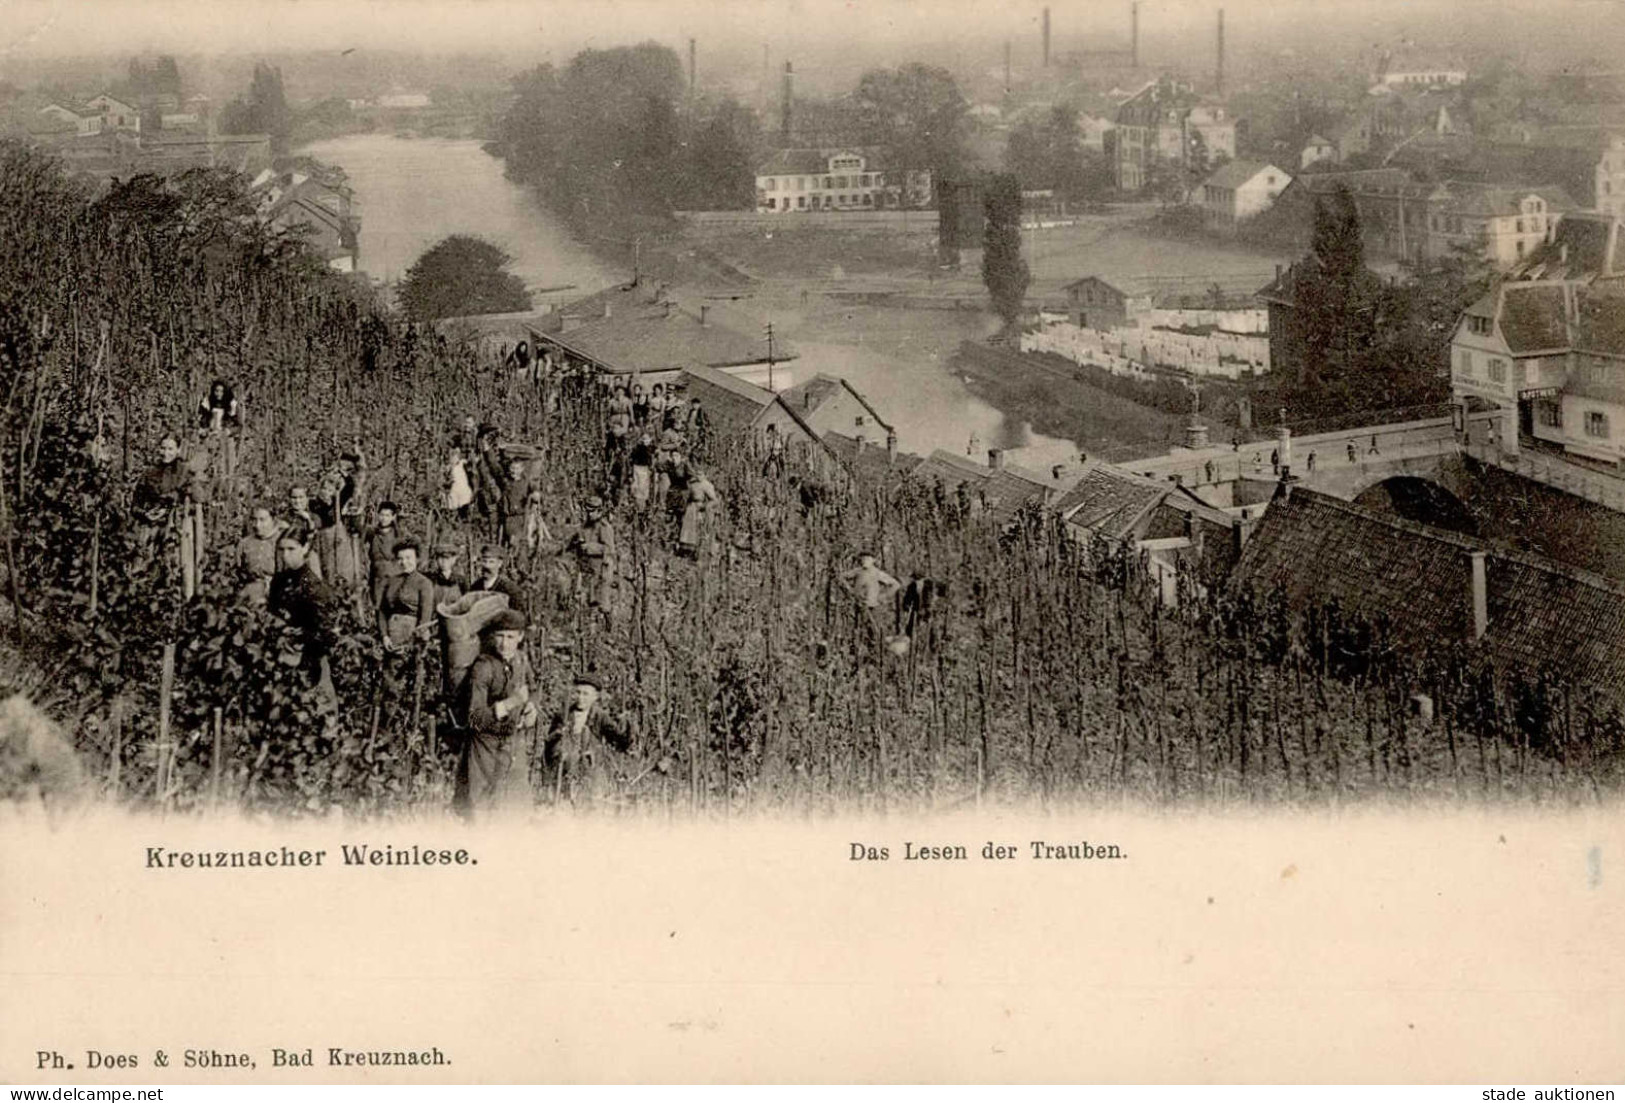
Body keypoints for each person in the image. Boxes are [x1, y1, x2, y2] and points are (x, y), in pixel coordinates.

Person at [453, 608, 540, 818]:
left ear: (520, 637)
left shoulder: (521, 659)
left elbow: (533, 689)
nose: (504, 643)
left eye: (510, 637)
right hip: (485, 745)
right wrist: (510, 704)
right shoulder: (483, 667)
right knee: (482, 808)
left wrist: (532, 708)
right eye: (499, 636)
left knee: (517, 806)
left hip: (513, 743)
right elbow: (475, 718)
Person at [267, 524, 338, 715]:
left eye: (292, 549)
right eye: (282, 549)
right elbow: (272, 614)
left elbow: (327, 635)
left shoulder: (314, 587)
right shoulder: (279, 581)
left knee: (317, 712)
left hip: (309, 660)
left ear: (305, 548)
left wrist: (299, 638)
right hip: (282, 657)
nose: (285, 555)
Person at [540, 672, 635, 806]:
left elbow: (620, 741)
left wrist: (627, 726)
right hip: (565, 769)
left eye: (586, 694)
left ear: (595, 697)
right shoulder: (563, 714)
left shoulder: (600, 716)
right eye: (578, 693)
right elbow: (549, 747)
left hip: (590, 771)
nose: (581, 698)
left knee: (591, 805)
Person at [376, 537, 437, 652]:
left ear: (417, 558)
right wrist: (384, 636)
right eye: (400, 558)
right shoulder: (391, 581)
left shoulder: (424, 583)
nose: (404, 562)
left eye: (408, 558)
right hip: (391, 635)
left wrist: (412, 643)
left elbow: (425, 618)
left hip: (412, 636)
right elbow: (383, 611)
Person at [842, 551, 902, 655]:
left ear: (873, 560)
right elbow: (841, 577)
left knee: (874, 630)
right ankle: (856, 651)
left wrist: (883, 597)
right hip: (859, 605)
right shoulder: (857, 571)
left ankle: (875, 652)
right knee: (857, 629)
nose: (865, 561)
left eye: (868, 558)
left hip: (873, 606)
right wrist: (849, 590)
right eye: (863, 558)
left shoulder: (877, 573)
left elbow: (895, 584)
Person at [566, 497, 617, 613]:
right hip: (586, 569)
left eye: (592, 511)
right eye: (587, 511)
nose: (589, 514)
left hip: (600, 572)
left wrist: (589, 547)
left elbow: (609, 549)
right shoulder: (585, 526)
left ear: (599, 511)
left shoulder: (605, 527)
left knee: (601, 606)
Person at [236, 505, 281, 605]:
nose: (257, 525)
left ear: (273, 519)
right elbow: (238, 571)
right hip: (250, 594)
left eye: (262, 520)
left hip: (276, 595)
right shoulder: (245, 543)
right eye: (254, 520)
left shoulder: (282, 542)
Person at [469, 544, 526, 616]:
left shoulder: (510, 589)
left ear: (499, 564)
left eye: (491, 562)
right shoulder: (475, 587)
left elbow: (520, 617)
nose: (487, 566)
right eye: (484, 561)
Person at [677, 467, 720, 559]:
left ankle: (697, 552)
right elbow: (688, 495)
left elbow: (714, 500)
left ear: (704, 475)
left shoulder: (707, 485)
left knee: (698, 529)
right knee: (687, 528)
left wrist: (705, 507)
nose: (699, 476)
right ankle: (685, 549)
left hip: (700, 508)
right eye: (697, 474)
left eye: (701, 474)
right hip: (691, 507)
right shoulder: (693, 484)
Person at [366, 500, 401, 605]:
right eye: (381, 514)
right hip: (376, 576)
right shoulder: (372, 532)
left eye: (387, 515)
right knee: (378, 606)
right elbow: (359, 529)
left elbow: (417, 546)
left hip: (394, 575)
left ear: (393, 517)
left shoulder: (399, 535)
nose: (384, 518)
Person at [426, 543, 464, 612]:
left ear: (453, 559)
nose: (444, 562)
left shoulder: (461, 580)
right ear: (436, 560)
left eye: (447, 558)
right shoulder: (431, 579)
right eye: (440, 558)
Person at [628, 430, 656, 512]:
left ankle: (639, 506)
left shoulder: (639, 448)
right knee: (641, 488)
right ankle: (640, 508)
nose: (647, 441)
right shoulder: (643, 449)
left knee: (639, 486)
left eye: (647, 439)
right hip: (641, 469)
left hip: (638, 468)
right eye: (645, 439)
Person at [445, 446, 474, 522]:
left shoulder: (461, 463)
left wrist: (470, 457)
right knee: (454, 500)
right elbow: (447, 476)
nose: (454, 459)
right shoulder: (449, 467)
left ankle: (464, 516)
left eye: (456, 457)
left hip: (462, 485)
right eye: (453, 458)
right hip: (455, 486)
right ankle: (454, 518)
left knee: (464, 500)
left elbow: (469, 463)